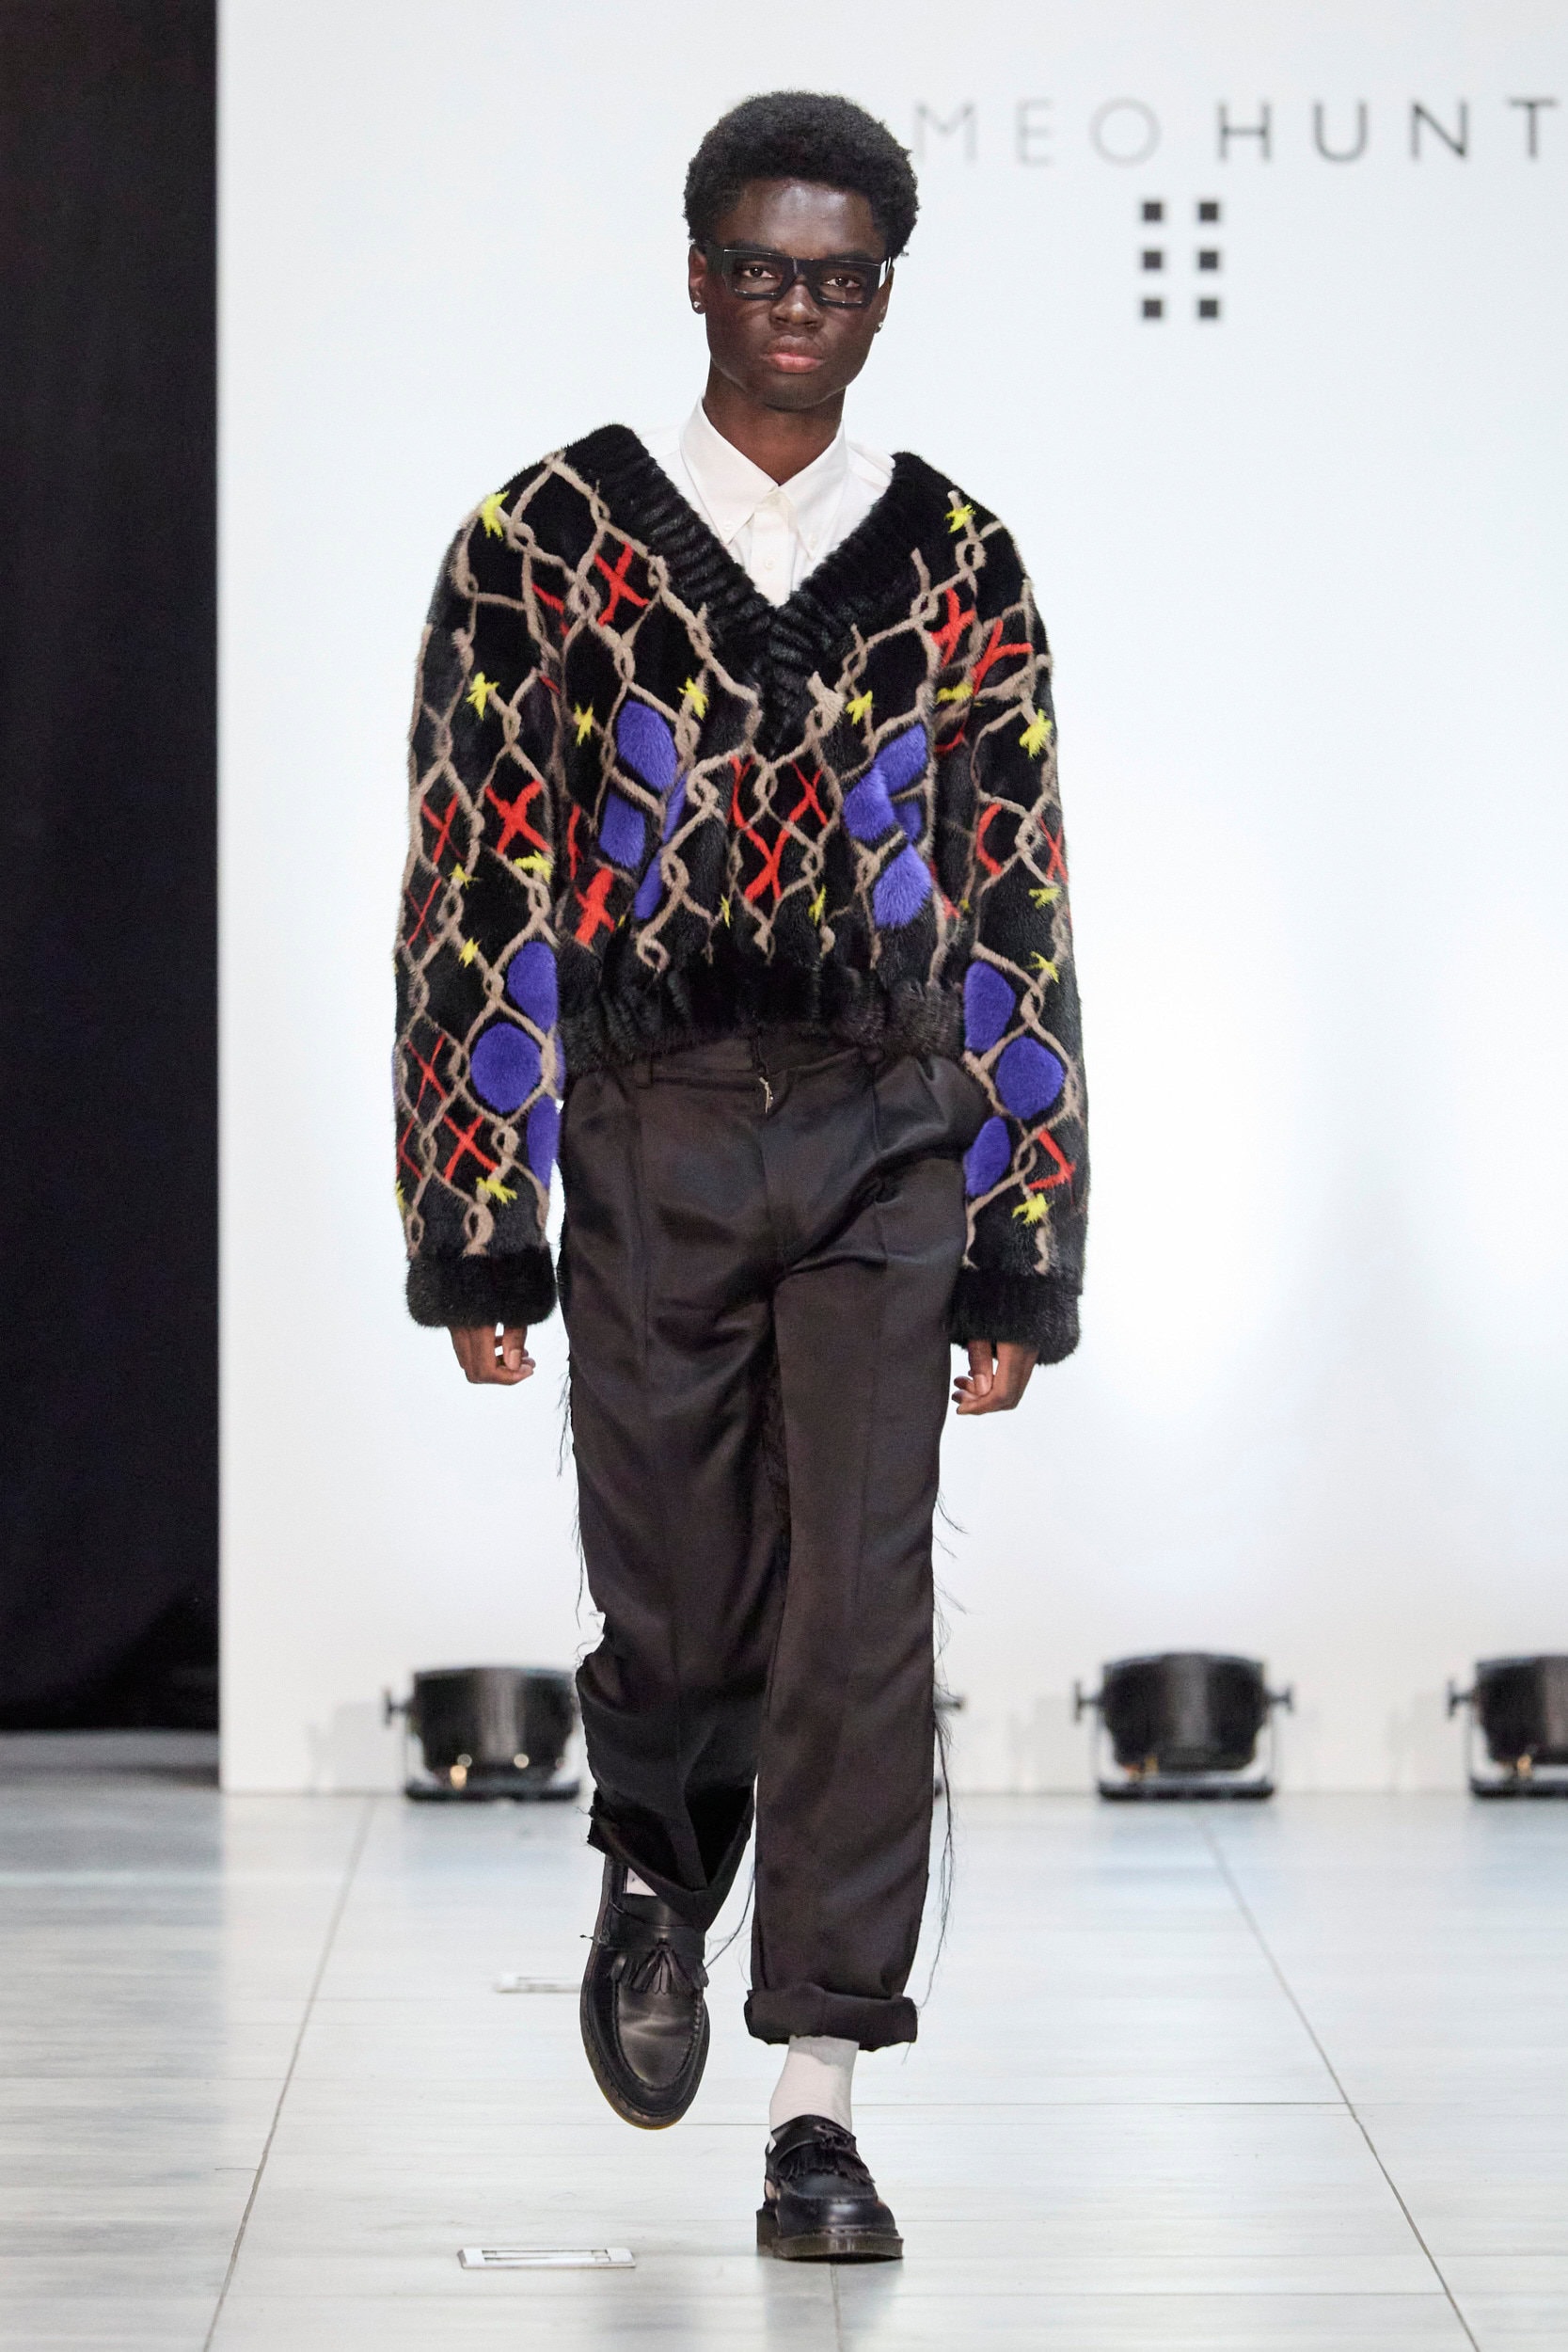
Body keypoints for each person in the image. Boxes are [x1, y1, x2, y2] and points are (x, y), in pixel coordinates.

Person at [393, 88, 1087, 2263]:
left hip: (890, 1123)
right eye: (766, 269)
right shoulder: (542, 538)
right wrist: (474, 1207)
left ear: (885, 294)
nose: (801, 307)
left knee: (865, 1610)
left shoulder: (958, 556)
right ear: (698, 272)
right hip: (652, 1118)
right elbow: (471, 882)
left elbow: (1015, 890)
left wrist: (1024, 1229)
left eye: (841, 276)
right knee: (681, 1599)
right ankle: (655, 1849)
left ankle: (822, 2099)